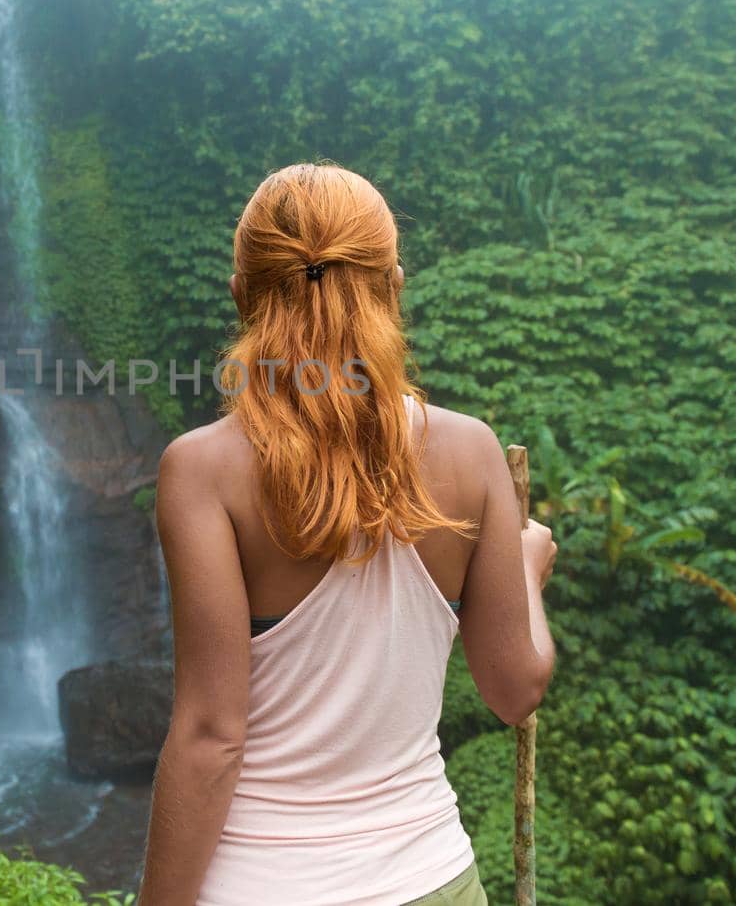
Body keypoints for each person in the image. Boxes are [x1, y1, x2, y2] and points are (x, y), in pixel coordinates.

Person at [136, 163, 558, 906]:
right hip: (431, 880)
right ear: (394, 284)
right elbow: (515, 689)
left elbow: (211, 737)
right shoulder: (470, 451)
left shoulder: (201, 472)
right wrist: (526, 568)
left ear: (242, 295)